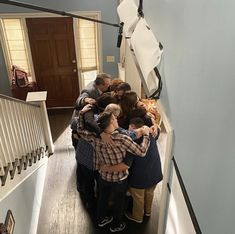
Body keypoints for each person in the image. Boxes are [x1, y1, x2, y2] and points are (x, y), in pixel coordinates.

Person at [77, 105, 150, 232]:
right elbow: (142, 151)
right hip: (120, 179)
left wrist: (82, 113)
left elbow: (80, 130)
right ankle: (116, 225)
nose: (117, 120)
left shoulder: (95, 138)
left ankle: (101, 220)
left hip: (103, 176)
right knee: (119, 202)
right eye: (115, 118)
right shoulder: (122, 138)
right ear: (111, 122)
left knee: (102, 198)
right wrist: (146, 136)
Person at [101, 117, 163, 223]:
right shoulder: (152, 135)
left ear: (133, 127)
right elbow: (158, 129)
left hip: (139, 178)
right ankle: (148, 211)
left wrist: (106, 168)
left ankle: (137, 217)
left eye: (129, 127)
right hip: (155, 173)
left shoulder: (130, 144)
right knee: (150, 193)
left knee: (138, 199)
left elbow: (126, 165)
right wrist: (155, 125)